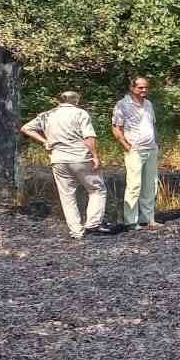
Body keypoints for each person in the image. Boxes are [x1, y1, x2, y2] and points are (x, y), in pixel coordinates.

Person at [20, 92, 114, 240]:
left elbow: (26, 128)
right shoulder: (80, 113)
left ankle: (76, 232)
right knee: (96, 189)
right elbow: (89, 137)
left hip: (58, 158)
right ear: (76, 101)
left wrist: (45, 141)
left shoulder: (47, 114)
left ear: (59, 101)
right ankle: (92, 224)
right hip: (80, 156)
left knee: (67, 195)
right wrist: (95, 156)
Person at [112, 76, 162, 230]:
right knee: (134, 185)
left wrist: (157, 143)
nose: (144, 90)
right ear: (132, 88)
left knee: (150, 184)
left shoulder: (148, 104)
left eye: (146, 87)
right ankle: (131, 221)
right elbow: (116, 127)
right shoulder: (122, 105)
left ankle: (148, 218)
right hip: (134, 150)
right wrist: (126, 145)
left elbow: (152, 125)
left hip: (151, 148)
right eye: (140, 88)